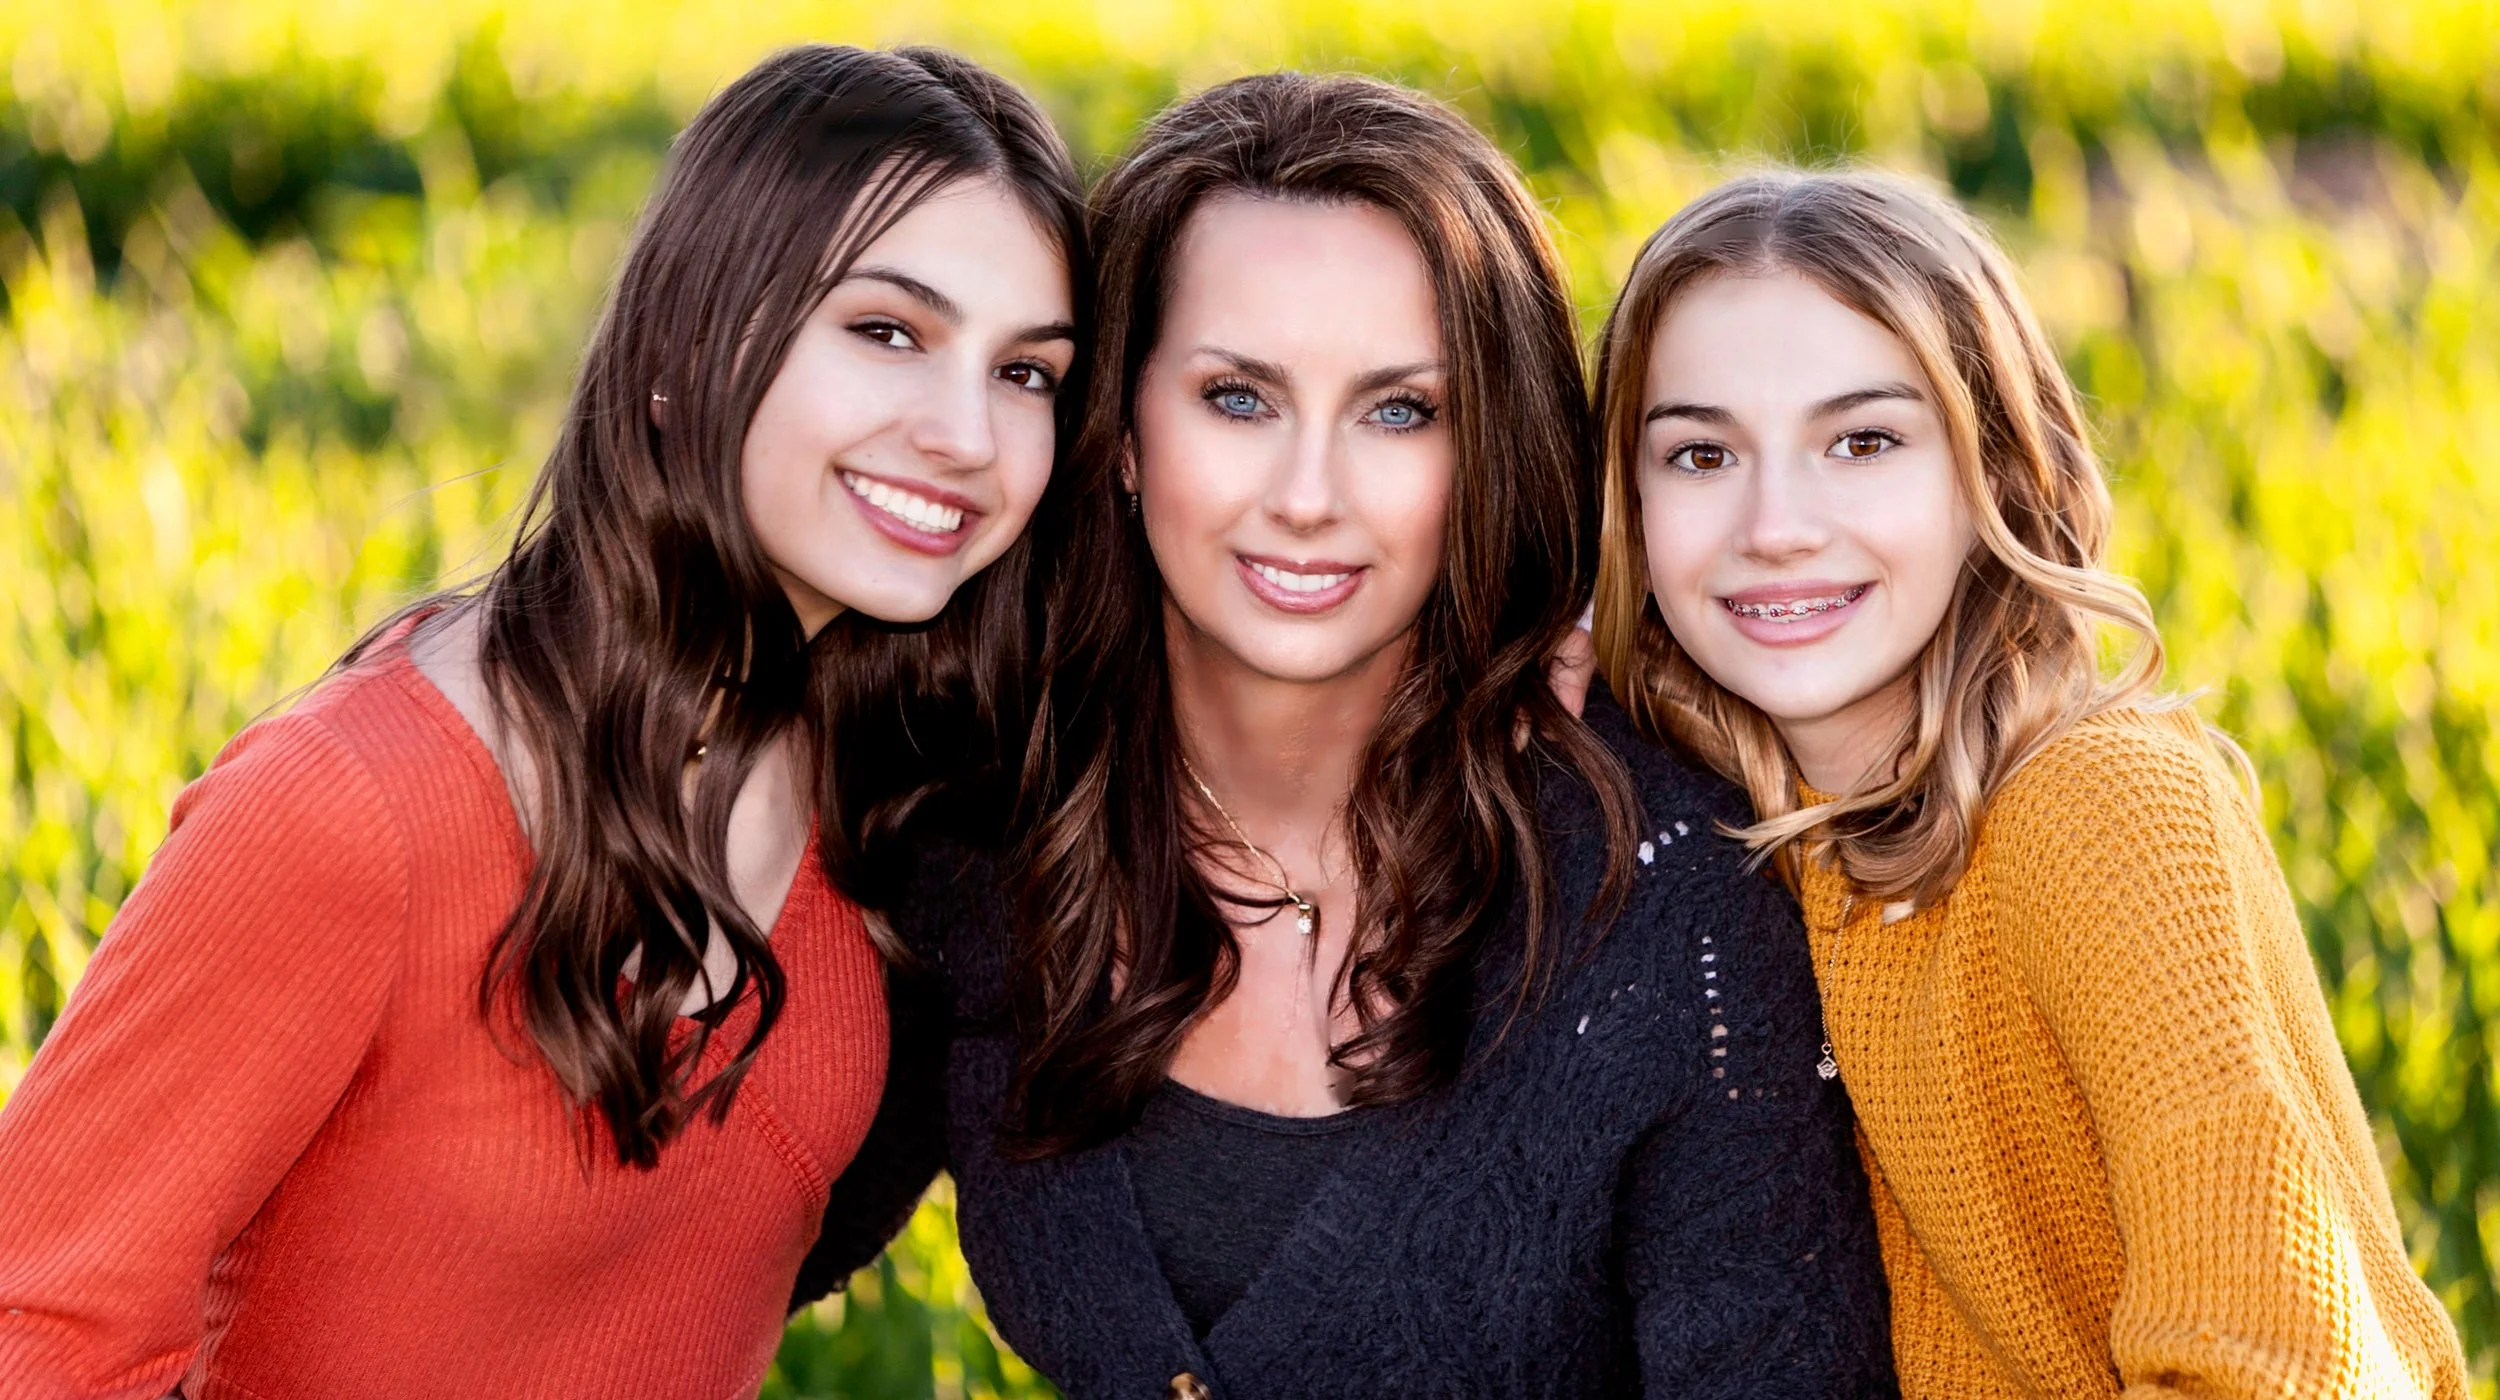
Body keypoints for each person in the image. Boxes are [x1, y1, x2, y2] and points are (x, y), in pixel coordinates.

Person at [0, 44, 1085, 1400]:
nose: (969, 435)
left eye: (1027, 373)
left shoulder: (893, 797)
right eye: (888, 333)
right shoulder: (351, 809)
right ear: (693, 336)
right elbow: (36, 1331)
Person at [841, 73, 1894, 1398]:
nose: (1307, 497)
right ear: (1118, 433)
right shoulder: (983, 832)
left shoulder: (1661, 893)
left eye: (1400, 412)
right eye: (1238, 398)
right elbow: (673, 1233)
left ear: (1488, 454)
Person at [1589, 168, 2470, 1398]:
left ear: (1993, 472)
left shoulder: (2101, 810)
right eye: (1698, 453)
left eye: (1862, 440)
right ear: (1625, 505)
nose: (1773, 522)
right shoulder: (1746, 824)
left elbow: (2288, 1362)